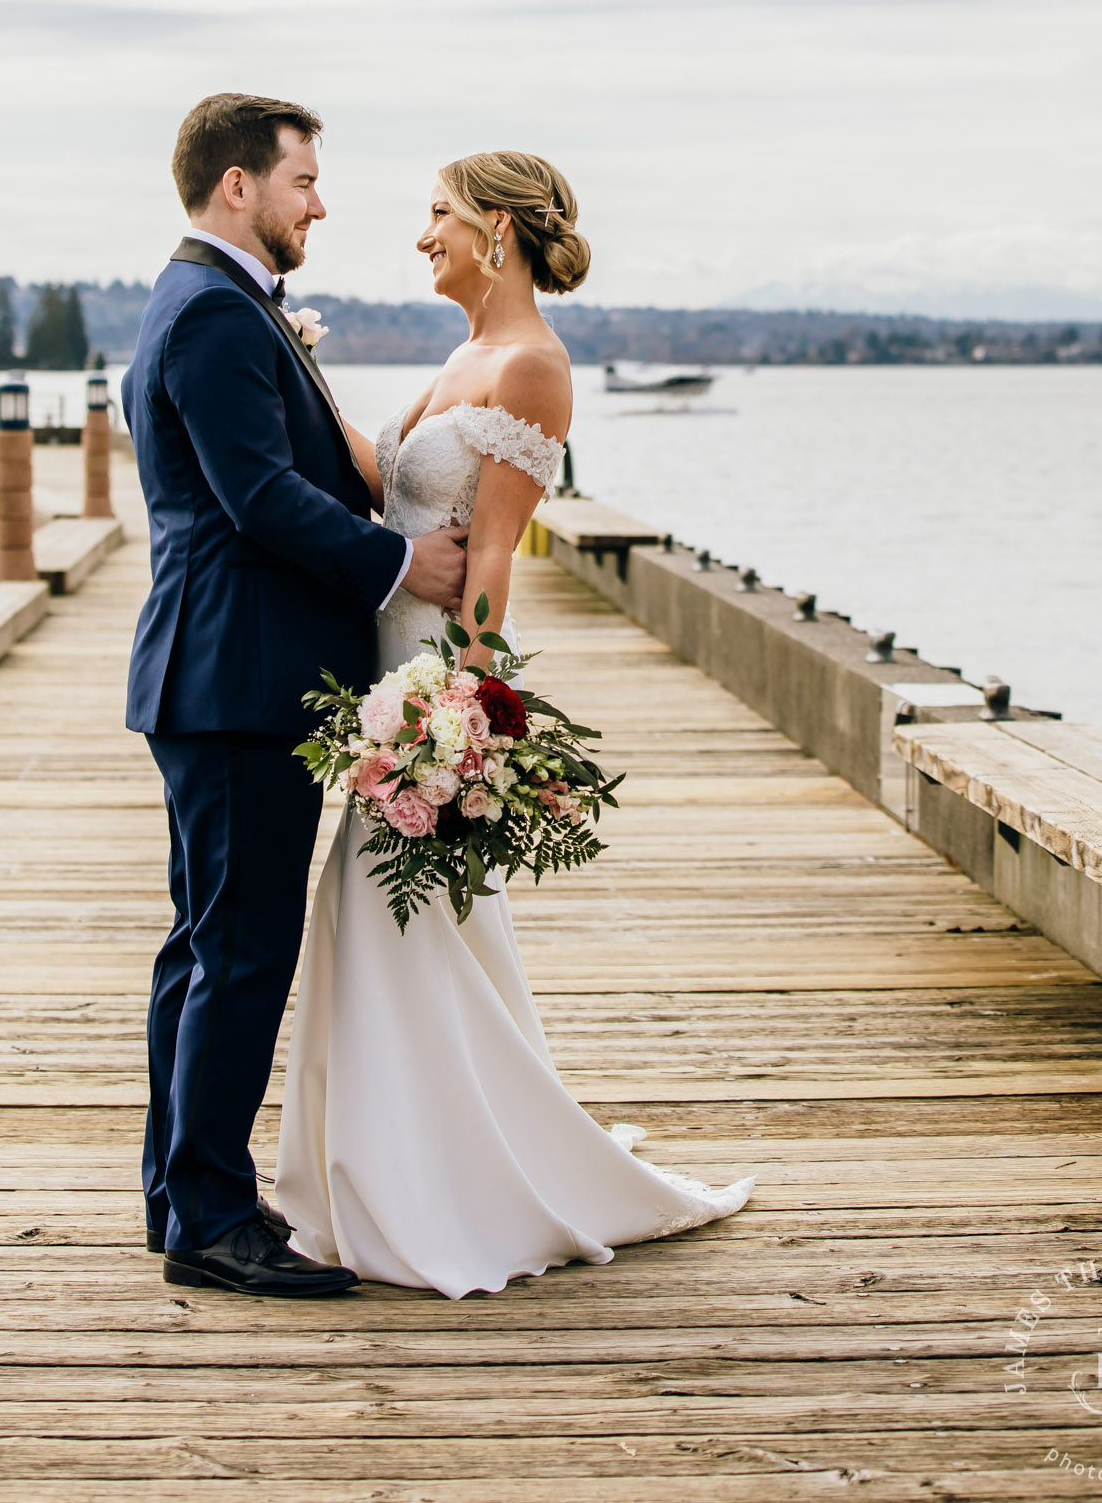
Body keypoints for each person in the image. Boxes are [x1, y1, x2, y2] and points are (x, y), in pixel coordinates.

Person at [275, 149, 754, 1296]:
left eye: (436, 214)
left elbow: (491, 554)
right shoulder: (460, 355)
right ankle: (392, 1163)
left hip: (428, 684)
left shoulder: (532, 366)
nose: (422, 233)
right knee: (380, 924)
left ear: (494, 226)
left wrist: (468, 715)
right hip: (385, 663)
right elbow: (388, 484)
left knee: (399, 919)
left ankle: (435, 1179)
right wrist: (300, 374)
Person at [121, 93, 469, 1296]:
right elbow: (257, 498)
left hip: (225, 678)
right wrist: (399, 561)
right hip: (236, 684)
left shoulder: (218, 304)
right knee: (240, 948)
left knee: (207, 945)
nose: (319, 201)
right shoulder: (214, 315)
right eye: (303, 180)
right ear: (237, 186)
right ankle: (213, 1219)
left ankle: (184, 1189)